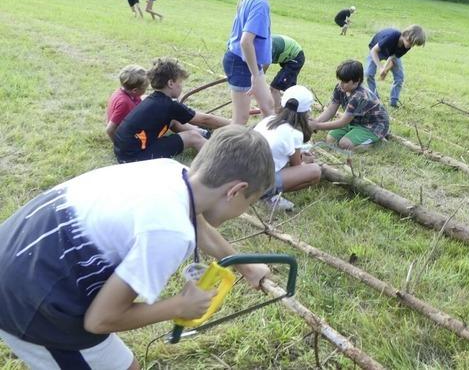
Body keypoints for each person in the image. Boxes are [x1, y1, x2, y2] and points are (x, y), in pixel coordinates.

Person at [0, 125, 273, 370]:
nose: (242, 211)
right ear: (235, 190)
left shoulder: (171, 171)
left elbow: (197, 222)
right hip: (28, 302)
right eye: (248, 203)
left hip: (16, 254)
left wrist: (244, 266)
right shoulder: (170, 231)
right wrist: (179, 306)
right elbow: (100, 320)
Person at [114, 57, 229, 163]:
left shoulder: (154, 99)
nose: (181, 86)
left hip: (123, 153)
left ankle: (205, 134)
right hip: (135, 159)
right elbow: (205, 120)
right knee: (192, 137)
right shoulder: (169, 105)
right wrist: (236, 123)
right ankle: (225, 161)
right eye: (180, 83)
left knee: (173, 120)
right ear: (170, 83)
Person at [223, 0, 292, 125]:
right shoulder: (259, 3)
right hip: (241, 64)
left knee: (268, 107)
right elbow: (246, 42)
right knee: (241, 119)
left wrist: (257, 72)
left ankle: (274, 146)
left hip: (250, 64)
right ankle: (226, 150)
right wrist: (255, 75)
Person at [254, 85, 321, 211]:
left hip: (243, 175)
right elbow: (297, 166)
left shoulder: (269, 120)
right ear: (306, 112)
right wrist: (306, 161)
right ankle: (267, 196)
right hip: (258, 183)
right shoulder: (295, 133)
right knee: (315, 171)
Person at [311, 60, 389, 151]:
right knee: (331, 139)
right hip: (355, 122)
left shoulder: (359, 96)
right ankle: (358, 136)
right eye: (340, 80)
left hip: (373, 126)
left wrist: (317, 126)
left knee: (345, 144)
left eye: (345, 82)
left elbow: (343, 122)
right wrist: (316, 122)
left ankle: (375, 141)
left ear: (356, 81)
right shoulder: (340, 88)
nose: (341, 84)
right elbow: (330, 111)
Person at [365, 24, 426, 108]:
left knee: (399, 77)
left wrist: (385, 70)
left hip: (390, 53)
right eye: (411, 42)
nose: (411, 45)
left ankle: (393, 102)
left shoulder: (406, 47)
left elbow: (392, 57)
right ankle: (375, 100)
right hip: (377, 51)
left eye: (414, 44)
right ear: (406, 34)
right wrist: (380, 67)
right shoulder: (392, 36)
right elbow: (374, 51)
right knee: (368, 73)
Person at [106, 65, 149, 142]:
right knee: (170, 120)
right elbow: (110, 130)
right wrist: (118, 144)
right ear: (135, 90)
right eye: (145, 88)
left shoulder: (123, 91)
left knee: (147, 98)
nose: (146, 90)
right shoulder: (124, 103)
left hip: (130, 122)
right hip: (131, 136)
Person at [265, 34, 305, 113]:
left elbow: (261, 72)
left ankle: (277, 113)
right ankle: (295, 108)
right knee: (289, 89)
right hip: (288, 57)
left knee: (274, 88)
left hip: (295, 58)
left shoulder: (267, 48)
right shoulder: (260, 44)